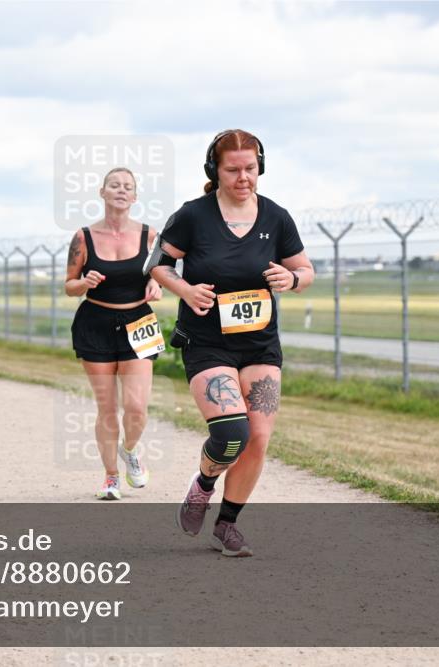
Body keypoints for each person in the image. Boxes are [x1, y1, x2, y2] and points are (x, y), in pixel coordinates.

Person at [149, 129, 314, 556]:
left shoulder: (276, 217)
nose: (244, 177)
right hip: (207, 342)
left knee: (257, 437)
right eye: (233, 169)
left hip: (260, 345)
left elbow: (305, 269)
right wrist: (184, 289)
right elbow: (159, 265)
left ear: (261, 168)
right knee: (231, 432)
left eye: (251, 168)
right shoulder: (194, 215)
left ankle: (227, 525)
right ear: (214, 171)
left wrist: (292, 279)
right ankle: (204, 483)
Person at [65, 167, 164, 500]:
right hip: (95, 323)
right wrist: (84, 282)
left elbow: (164, 273)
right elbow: (69, 286)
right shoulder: (83, 237)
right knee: (107, 408)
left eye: (128, 187)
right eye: (114, 185)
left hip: (139, 322)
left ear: (135, 197)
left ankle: (130, 451)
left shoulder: (151, 236)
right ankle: (110, 478)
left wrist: (155, 282)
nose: (121, 190)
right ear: (102, 192)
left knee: (136, 408)